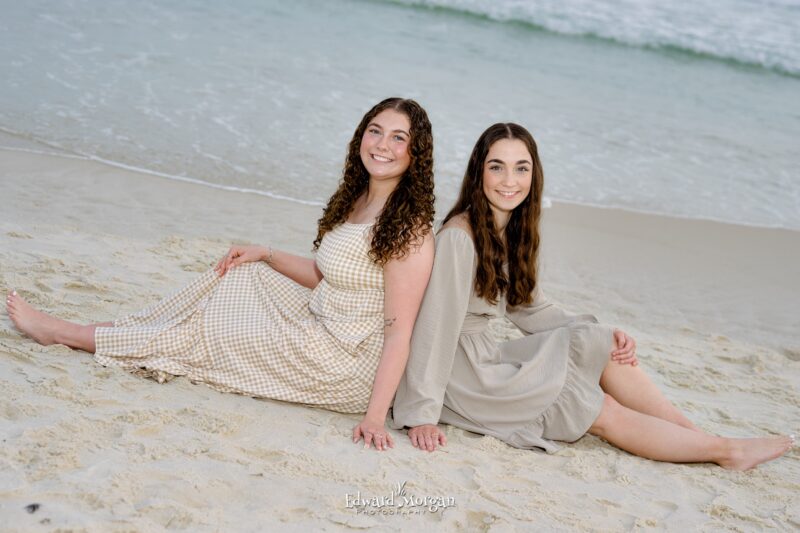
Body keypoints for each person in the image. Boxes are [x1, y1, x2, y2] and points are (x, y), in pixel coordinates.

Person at [6, 97, 435, 452]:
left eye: (399, 138)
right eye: (375, 131)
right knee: (240, 274)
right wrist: (266, 253)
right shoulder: (358, 199)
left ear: (415, 154)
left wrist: (374, 417)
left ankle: (69, 335)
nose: (383, 144)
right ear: (361, 136)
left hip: (344, 362)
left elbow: (399, 332)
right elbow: (328, 277)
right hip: (321, 320)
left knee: (210, 334)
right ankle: (119, 330)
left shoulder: (409, 231)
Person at [391, 122, 794, 469]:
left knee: (601, 344)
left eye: (521, 168)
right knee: (596, 408)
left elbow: (529, 308)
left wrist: (596, 331)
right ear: (479, 171)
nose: (509, 180)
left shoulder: (508, 231)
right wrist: (421, 412)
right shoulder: (460, 237)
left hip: (484, 356)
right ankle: (724, 452)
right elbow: (436, 328)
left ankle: (697, 437)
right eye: (497, 166)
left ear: (534, 175)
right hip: (462, 376)